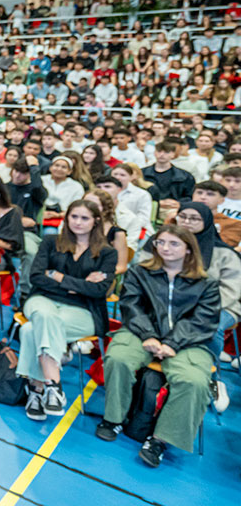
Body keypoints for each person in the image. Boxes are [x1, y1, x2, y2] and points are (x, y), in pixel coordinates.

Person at [98, 224, 220, 468]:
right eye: (160, 242)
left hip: (189, 342)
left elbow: (203, 321)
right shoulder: (139, 273)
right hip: (142, 332)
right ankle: (114, 418)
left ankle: (160, 440)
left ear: (188, 250)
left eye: (174, 244)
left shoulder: (206, 283)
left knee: (194, 381)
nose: (165, 248)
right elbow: (131, 306)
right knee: (118, 358)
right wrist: (149, 336)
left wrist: (173, 342)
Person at [18, 200, 116, 420]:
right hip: (42, 299)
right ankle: (53, 385)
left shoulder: (107, 253)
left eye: (85, 218)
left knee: (31, 330)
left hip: (84, 309)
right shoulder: (51, 241)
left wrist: (59, 277)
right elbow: (36, 277)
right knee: (44, 316)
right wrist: (80, 285)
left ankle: (37, 389)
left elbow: (99, 290)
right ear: (67, 217)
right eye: (74, 217)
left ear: (96, 221)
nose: (78, 222)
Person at [167, 204, 240, 366]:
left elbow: (230, 292)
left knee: (210, 328)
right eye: (183, 216)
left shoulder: (225, 253)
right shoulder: (164, 245)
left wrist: (199, 306)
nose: (187, 222)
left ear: (206, 222)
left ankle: (212, 376)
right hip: (171, 301)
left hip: (221, 306)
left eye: (194, 218)